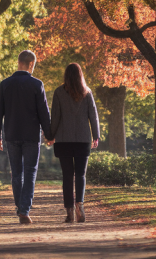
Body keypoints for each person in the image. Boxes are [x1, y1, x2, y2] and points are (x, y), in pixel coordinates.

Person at [0, 50, 53, 224]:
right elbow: (44, 112)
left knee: (16, 173)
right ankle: (24, 209)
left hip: (11, 135)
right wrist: (49, 135)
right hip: (31, 136)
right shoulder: (37, 84)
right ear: (31, 64)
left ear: (18, 62)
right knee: (30, 172)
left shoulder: (5, 84)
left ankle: (21, 207)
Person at [47, 63, 100, 223]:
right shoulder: (87, 92)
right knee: (81, 175)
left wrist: (50, 135)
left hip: (64, 140)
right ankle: (80, 206)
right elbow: (94, 115)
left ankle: (69, 211)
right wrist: (96, 135)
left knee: (67, 176)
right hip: (83, 139)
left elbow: (55, 117)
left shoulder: (58, 92)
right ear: (80, 75)